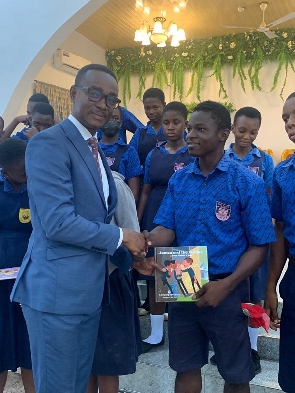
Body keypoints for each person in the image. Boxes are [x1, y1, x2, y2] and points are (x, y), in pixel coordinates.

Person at [10, 64, 146, 393]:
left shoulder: (93, 148)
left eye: (111, 99)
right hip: (56, 296)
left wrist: (134, 255)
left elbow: (98, 215)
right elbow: (58, 222)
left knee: (75, 385)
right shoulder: (48, 144)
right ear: (74, 93)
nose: (103, 104)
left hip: (89, 293)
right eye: (95, 93)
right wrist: (121, 235)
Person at [144, 101, 275, 393]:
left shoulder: (246, 183)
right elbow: (167, 228)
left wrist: (227, 285)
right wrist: (145, 242)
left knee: (236, 373)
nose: (190, 135)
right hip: (181, 284)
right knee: (185, 368)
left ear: (223, 134)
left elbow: (260, 245)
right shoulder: (179, 180)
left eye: (200, 129)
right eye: (190, 128)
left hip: (226, 290)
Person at [210, 106, 275, 373]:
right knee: (233, 293)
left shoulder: (264, 161)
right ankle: (228, 346)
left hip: (256, 239)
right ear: (232, 129)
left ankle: (252, 349)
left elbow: (268, 198)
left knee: (255, 295)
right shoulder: (222, 158)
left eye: (253, 132)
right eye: (242, 130)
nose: (247, 136)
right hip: (230, 239)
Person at [137, 101, 192, 352]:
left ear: (185, 124)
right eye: (166, 123)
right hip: (155, 213)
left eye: (176, 122)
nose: (170, 127)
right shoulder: (154, 154)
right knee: (155, 273)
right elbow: (145, 191)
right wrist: (138, 221)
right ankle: (156, 333)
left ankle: (184, 332)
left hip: (184, 214)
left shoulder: (192, 153)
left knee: (181, 271)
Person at [86, 171, 142, 393]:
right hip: (78, 283)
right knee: (85, 361)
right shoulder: (67, 182)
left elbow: (134, 238)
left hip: (110, 279)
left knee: (108, 363)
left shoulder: (114, 184)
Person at [264, 92, 295, 393]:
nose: (290, 123)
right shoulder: (283, 175)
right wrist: (271, 285)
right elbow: (279, 232)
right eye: (285, 117)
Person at [0, 139, 35, 393]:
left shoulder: (37, 187)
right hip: (0, 284)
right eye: (22, 172)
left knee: (30, 348)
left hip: (31, 279)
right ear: (4, 171)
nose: (28, 175)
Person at [99, 106, 143, 202]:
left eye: (115, 118)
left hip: (121, 206)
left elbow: (134, 191)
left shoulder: (129, 152)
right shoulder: (92, 149)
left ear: (121, 123)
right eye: (107, 117)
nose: (111, 121)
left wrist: (128, 212)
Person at [129, 87, 166, 167]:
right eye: (147, 108)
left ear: (164, 105)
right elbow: (131, 157)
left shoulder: (173, 131)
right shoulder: (140, 133)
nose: (151, 112)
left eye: (155, 107)